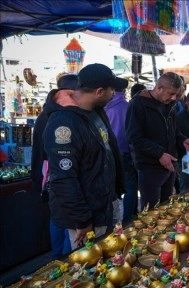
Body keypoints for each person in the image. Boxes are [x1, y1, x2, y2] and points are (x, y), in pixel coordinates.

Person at [43, 63, 126, 249]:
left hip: (107, 204)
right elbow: (63, 178)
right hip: (88, 216)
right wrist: (82, 220)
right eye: (112, 89)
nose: (114, 93)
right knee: (90, 271)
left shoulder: (96, 111)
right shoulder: (63, 122)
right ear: (99, 91)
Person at [126, 72, 189, 208]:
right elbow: (134, 138)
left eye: (176, 94)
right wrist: (159, 153)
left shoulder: (171, 104)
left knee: (166, 207)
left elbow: (174, 131)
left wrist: (183, 139)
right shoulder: (138, 104)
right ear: (159, 88)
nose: (174, 98)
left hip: (169, 165)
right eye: (170, 93)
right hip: (149, 167)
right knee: (151, 211)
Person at [31, 73, 77, 259]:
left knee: (58, 218)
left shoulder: (46, 113)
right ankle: (63, 257)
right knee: (65, 220)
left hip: (48, 174)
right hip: (54, 174)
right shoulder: (58, 115)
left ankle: (58, 256)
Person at [105, 77, 139, 224]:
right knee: (131, 187)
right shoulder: (127, 107)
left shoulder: (103, 107)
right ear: (124, 91)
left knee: (111, 188)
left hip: (107, 153)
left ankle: (112, 219)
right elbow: (132, 133)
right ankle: (128, 220)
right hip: (125, 153)